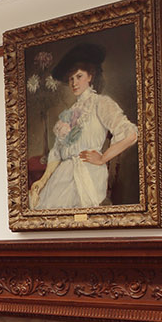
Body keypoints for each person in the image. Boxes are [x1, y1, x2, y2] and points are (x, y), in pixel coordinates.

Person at [29, 43, 138, 210]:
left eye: (79, 76)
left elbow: (130, 134)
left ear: (90, 76)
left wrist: (103, 158)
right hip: (63, 174)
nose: (74, 83)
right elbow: (57, 153)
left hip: (88, 173)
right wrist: (43, 180)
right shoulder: (69, 114)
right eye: (71, 79)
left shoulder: (101, 103)